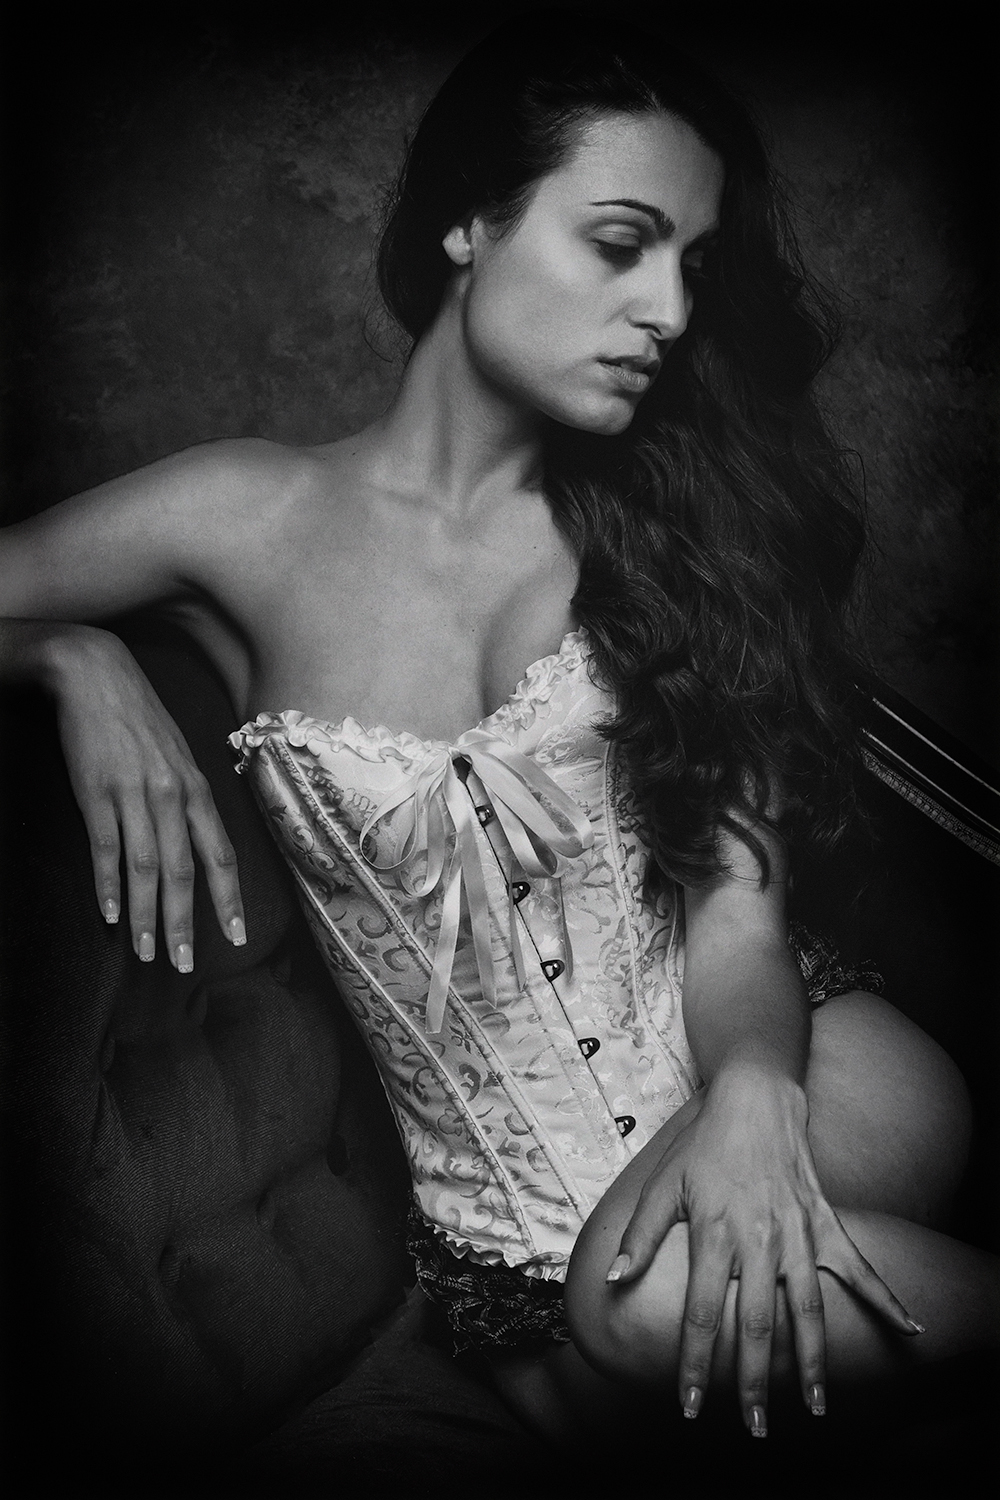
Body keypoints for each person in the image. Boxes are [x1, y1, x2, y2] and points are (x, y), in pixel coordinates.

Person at [0, 12, 996, 1449]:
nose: (669, 310)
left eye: (693, 265)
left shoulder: (678, 532)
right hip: (518, 1246)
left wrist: (753, 1094)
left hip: (815, 1075)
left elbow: (736, 920)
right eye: (622, 244)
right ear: (471, 220)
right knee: (633, 1318)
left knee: (643, 1306)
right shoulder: (243, 517)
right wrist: (67, 656)